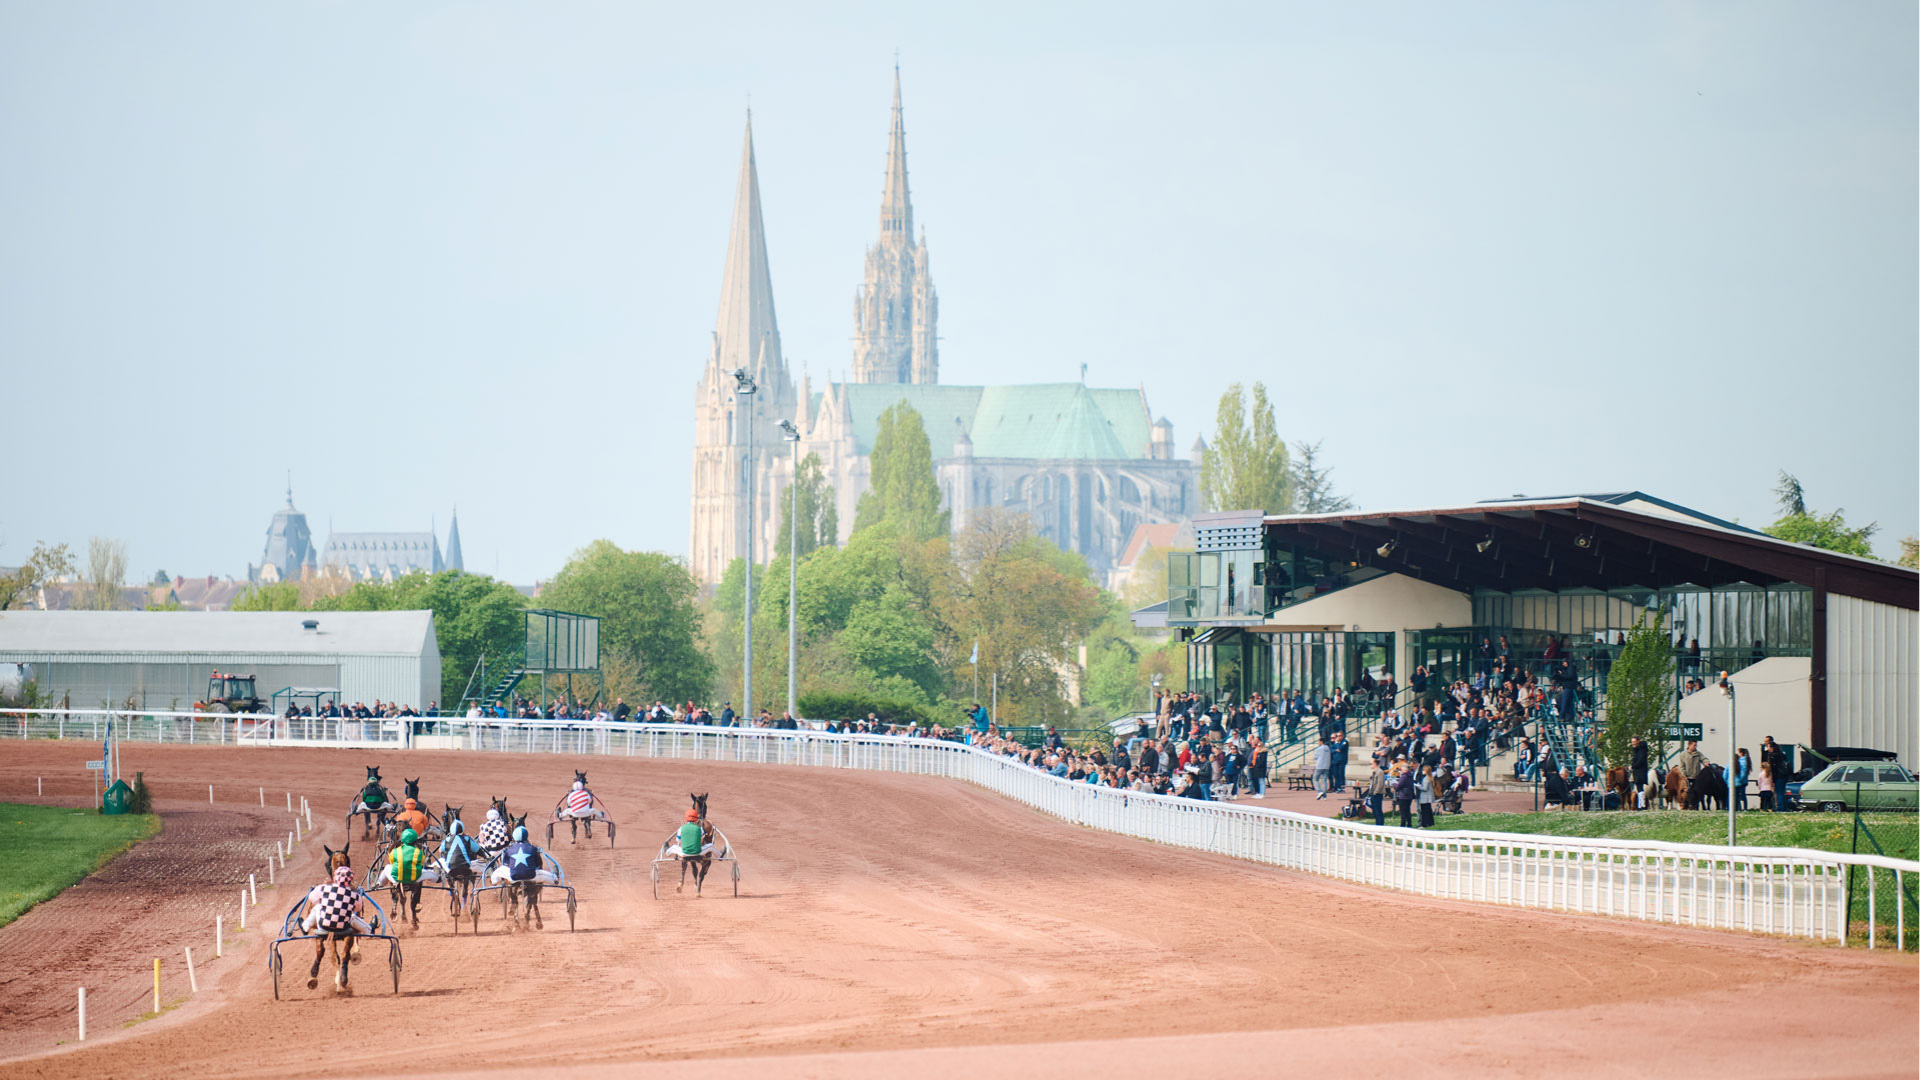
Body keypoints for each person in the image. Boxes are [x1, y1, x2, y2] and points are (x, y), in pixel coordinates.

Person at [301, 864, 369, 936]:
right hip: (344, 928)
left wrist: (325, 903)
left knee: (317, 907)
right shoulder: (355, 895)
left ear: (335, 877)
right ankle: (368, 929)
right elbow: (358, 909)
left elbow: (312, 899)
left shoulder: (322, 888)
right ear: (350, 879)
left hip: (323, 927)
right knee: (351, 916)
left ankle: (305, 927)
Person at [490, 825, 557, 885]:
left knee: (500, 870)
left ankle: (494, 881)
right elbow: (537, 865)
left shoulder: (509, 850)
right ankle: (555, 878)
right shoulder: (533, 848)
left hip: (513, 877)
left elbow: (506, 864)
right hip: (531, 877)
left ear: (514, 836)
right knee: (544, 874)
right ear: (526, 836)